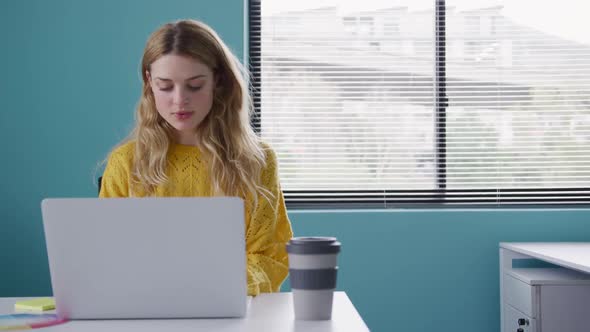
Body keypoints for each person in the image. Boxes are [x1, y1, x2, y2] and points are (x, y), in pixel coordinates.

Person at [99, 19, 293, 296]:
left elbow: (270, 256)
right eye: (165, 86)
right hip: (147, 307)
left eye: (195, 86)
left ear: (218, 81)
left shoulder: (257, 161)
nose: (180, 101)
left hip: (231, 307)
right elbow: (107, 258)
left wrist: (211, 289)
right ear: (148, 82)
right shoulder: (125, 163)